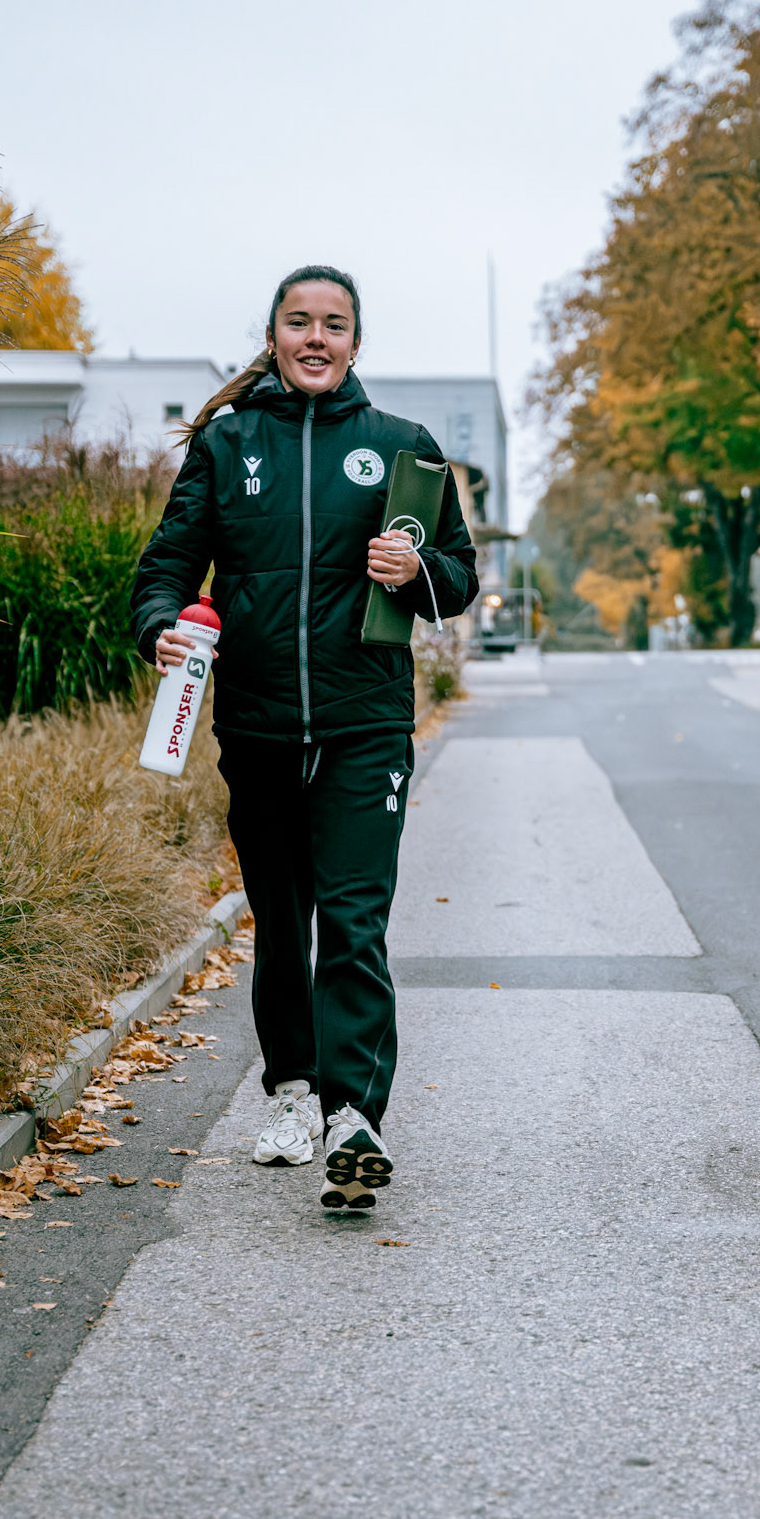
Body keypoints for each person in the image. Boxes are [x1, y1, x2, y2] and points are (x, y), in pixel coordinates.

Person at [130, 266, 478, 1211]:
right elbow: (166, 567)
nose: (315, 339)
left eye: (334, 325)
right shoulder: (229, 443)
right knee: (283, 927)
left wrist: (416, 571)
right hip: (258, 723)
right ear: (276, 336)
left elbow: (460, 579)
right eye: (299, 323)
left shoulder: (403, 449)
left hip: (366, 722)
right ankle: (290, 1092)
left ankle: (355, 1116)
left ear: (356, 343)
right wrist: (160, 622)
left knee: (354, 923)